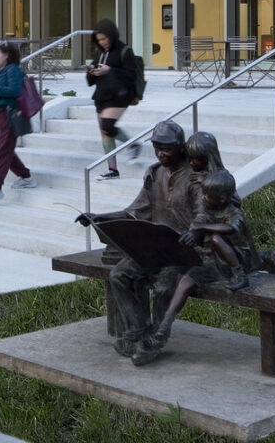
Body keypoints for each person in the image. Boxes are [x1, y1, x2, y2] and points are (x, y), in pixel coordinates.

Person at [132, 168, 275, 367]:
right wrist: (192, 234)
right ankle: (164, 327)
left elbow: (231, 228)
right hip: (210, 262)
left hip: (230, 261)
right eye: (203, 193)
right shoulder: (207, 206)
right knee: (186, 282)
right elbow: (199, 222)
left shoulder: (232, 212)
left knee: (216, 238)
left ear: (222, 199)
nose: (203, 197)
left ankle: (242, 273)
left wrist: (203, 229)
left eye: (208, 195)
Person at [73, 119, 200, 356]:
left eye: (167, 148)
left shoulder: (195, 178)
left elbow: (204, 219)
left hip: (184, 251)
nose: (161, 154)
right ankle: (136, 334)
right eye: (156, 148)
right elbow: (134, 210)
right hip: (155, 247)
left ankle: (155, 340)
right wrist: (99, 217)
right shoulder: (155, 174)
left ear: (181, 147)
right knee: (119, 275)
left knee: (163, 287)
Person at [0, 40, 37, 206]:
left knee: (3, 153)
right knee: (6, 152)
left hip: (8, 117)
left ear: (6, 55)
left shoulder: (14, 70)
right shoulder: (0, 72)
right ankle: (26, 177)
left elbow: (14, 91)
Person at [85, 18, 143, 180]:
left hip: (120, 95)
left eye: (104, 38)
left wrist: (109, 70)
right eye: (99, 40)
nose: (102, 42)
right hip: (101, 95)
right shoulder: (100, 53)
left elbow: (131, 75)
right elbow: (91, 81)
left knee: (108, 126)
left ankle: (133, 144)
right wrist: (92, 72)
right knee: (105, 132)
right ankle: (112, 169)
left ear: (111, 35)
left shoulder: (125, 51)